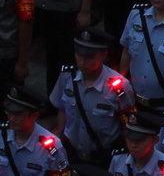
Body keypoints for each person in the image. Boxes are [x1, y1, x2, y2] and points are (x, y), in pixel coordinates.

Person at [51, 28, 134, 165]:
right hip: (72, 153)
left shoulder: (119, 86)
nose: (83, 61)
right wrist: (60, 131)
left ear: (103, 55)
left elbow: (127, 121)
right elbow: (62, 108)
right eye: (79, 55)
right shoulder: (67, 76)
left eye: (89, 56)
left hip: (103, 157)